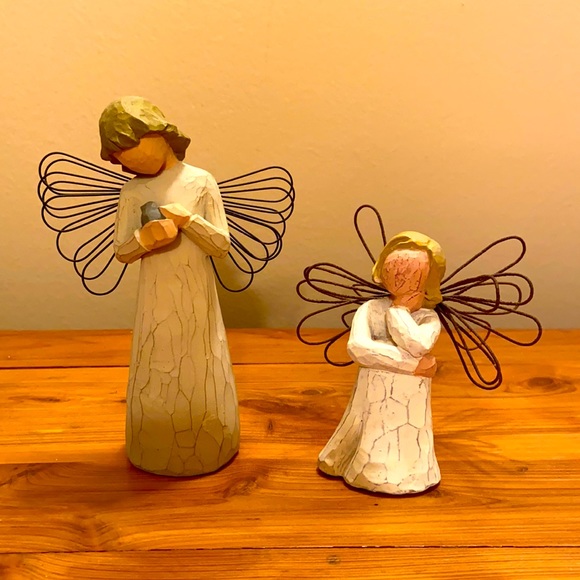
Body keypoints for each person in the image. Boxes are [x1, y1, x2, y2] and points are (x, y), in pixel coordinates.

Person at [100, 96, 239, 476]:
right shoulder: (132, 193)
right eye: (120, 156)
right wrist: (145, 239)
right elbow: (121, 251)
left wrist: (189, 221)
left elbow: (221, 245)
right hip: (155, 302)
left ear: (160, 133)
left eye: (132, 147)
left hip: (197, 299)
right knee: (157, 369)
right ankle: (153, 444)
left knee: (201, 366)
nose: (129, 160)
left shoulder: (200, 182)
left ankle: (211, 440)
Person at [318, 232, 445, 494]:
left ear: (428, 279)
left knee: (404, 438)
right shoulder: (370, 309)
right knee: (371, 432)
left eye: (411, 273)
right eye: (393, 269)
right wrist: (412, 366)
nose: (399, 278)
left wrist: (399, 312)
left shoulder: (428, 318)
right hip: (373, 390)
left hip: (409, 397)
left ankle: (408, 474)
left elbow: (418, 345)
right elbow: (358, 348)